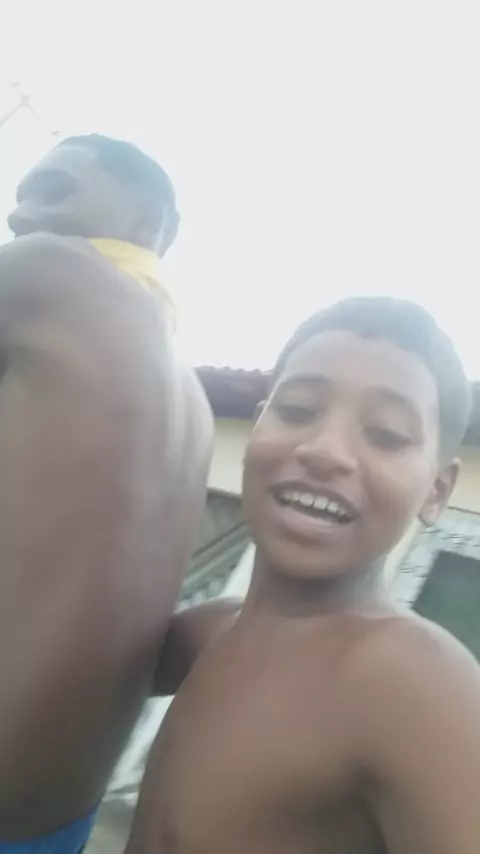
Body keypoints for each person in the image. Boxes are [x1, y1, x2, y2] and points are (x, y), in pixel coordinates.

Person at [126, 297, 480, 854]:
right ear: (257, 424)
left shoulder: (419, 686)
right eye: (297, 410)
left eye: (386, 435)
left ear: (436, 490)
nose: (324, 451)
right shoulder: (207, 635)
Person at [0, 135, 236, 851]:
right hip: (59, 819)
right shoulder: (194, 409)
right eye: (20, 197)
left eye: (55, 190)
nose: (20, 216)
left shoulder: (47, 272)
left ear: (147, 223)